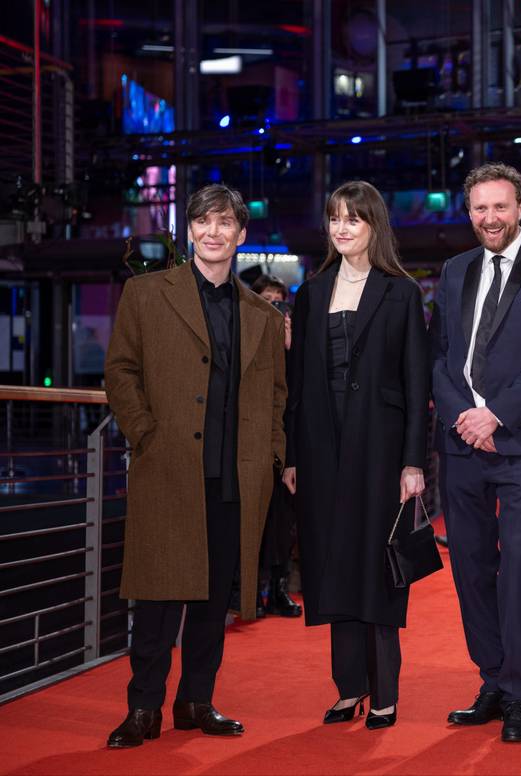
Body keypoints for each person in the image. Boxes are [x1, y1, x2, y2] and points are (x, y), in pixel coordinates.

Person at [103, 184, 287, 747]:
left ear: (241, 235)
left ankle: (195, 701)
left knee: (212, 604)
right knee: (157, 600)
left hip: (235, 477)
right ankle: (143, 710)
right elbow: (121, 371)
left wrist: (273, 455)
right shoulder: (146, 293)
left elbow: (277, 395)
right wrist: (145, 434)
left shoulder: (260, 312)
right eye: (204, 221)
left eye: (225, 223)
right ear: (190, 230)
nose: (214, 232)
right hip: (168, 468)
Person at [430, 163, 521, 742]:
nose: (489, 218)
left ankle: (519, 693)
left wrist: (497, 414)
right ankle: (491, 677)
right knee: (469, 566)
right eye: (480, 209)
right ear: (469, 212)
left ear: (520, 208)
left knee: (519, 566)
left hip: (519, 444)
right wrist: (464, 419)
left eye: (500, 207)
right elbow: (439, 354)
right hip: (462, 443)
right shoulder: (454, 268)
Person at [281, 181, 429, 730]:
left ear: (374, 226)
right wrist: (294, 455)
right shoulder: (313, 291)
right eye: (334, 219)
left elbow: (417, 386)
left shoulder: (401, 291)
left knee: (378, 568)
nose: (342, 228)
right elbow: (296, 387)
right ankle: (349, 688)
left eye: (354, 219)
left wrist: (413, 462)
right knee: (332, 565)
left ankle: (384, 693)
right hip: (322, 447)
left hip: (381, 448)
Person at [247, 274, 301, 618]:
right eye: (266, 301)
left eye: (279, 302)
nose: (273, 308)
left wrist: (290, 345)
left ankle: (278, 589)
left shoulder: (291, 341)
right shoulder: (246, 336)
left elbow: (299, 389)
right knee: (253, 520)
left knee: (283, 521)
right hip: (251, 441)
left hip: (287, 442)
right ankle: (250, 591)